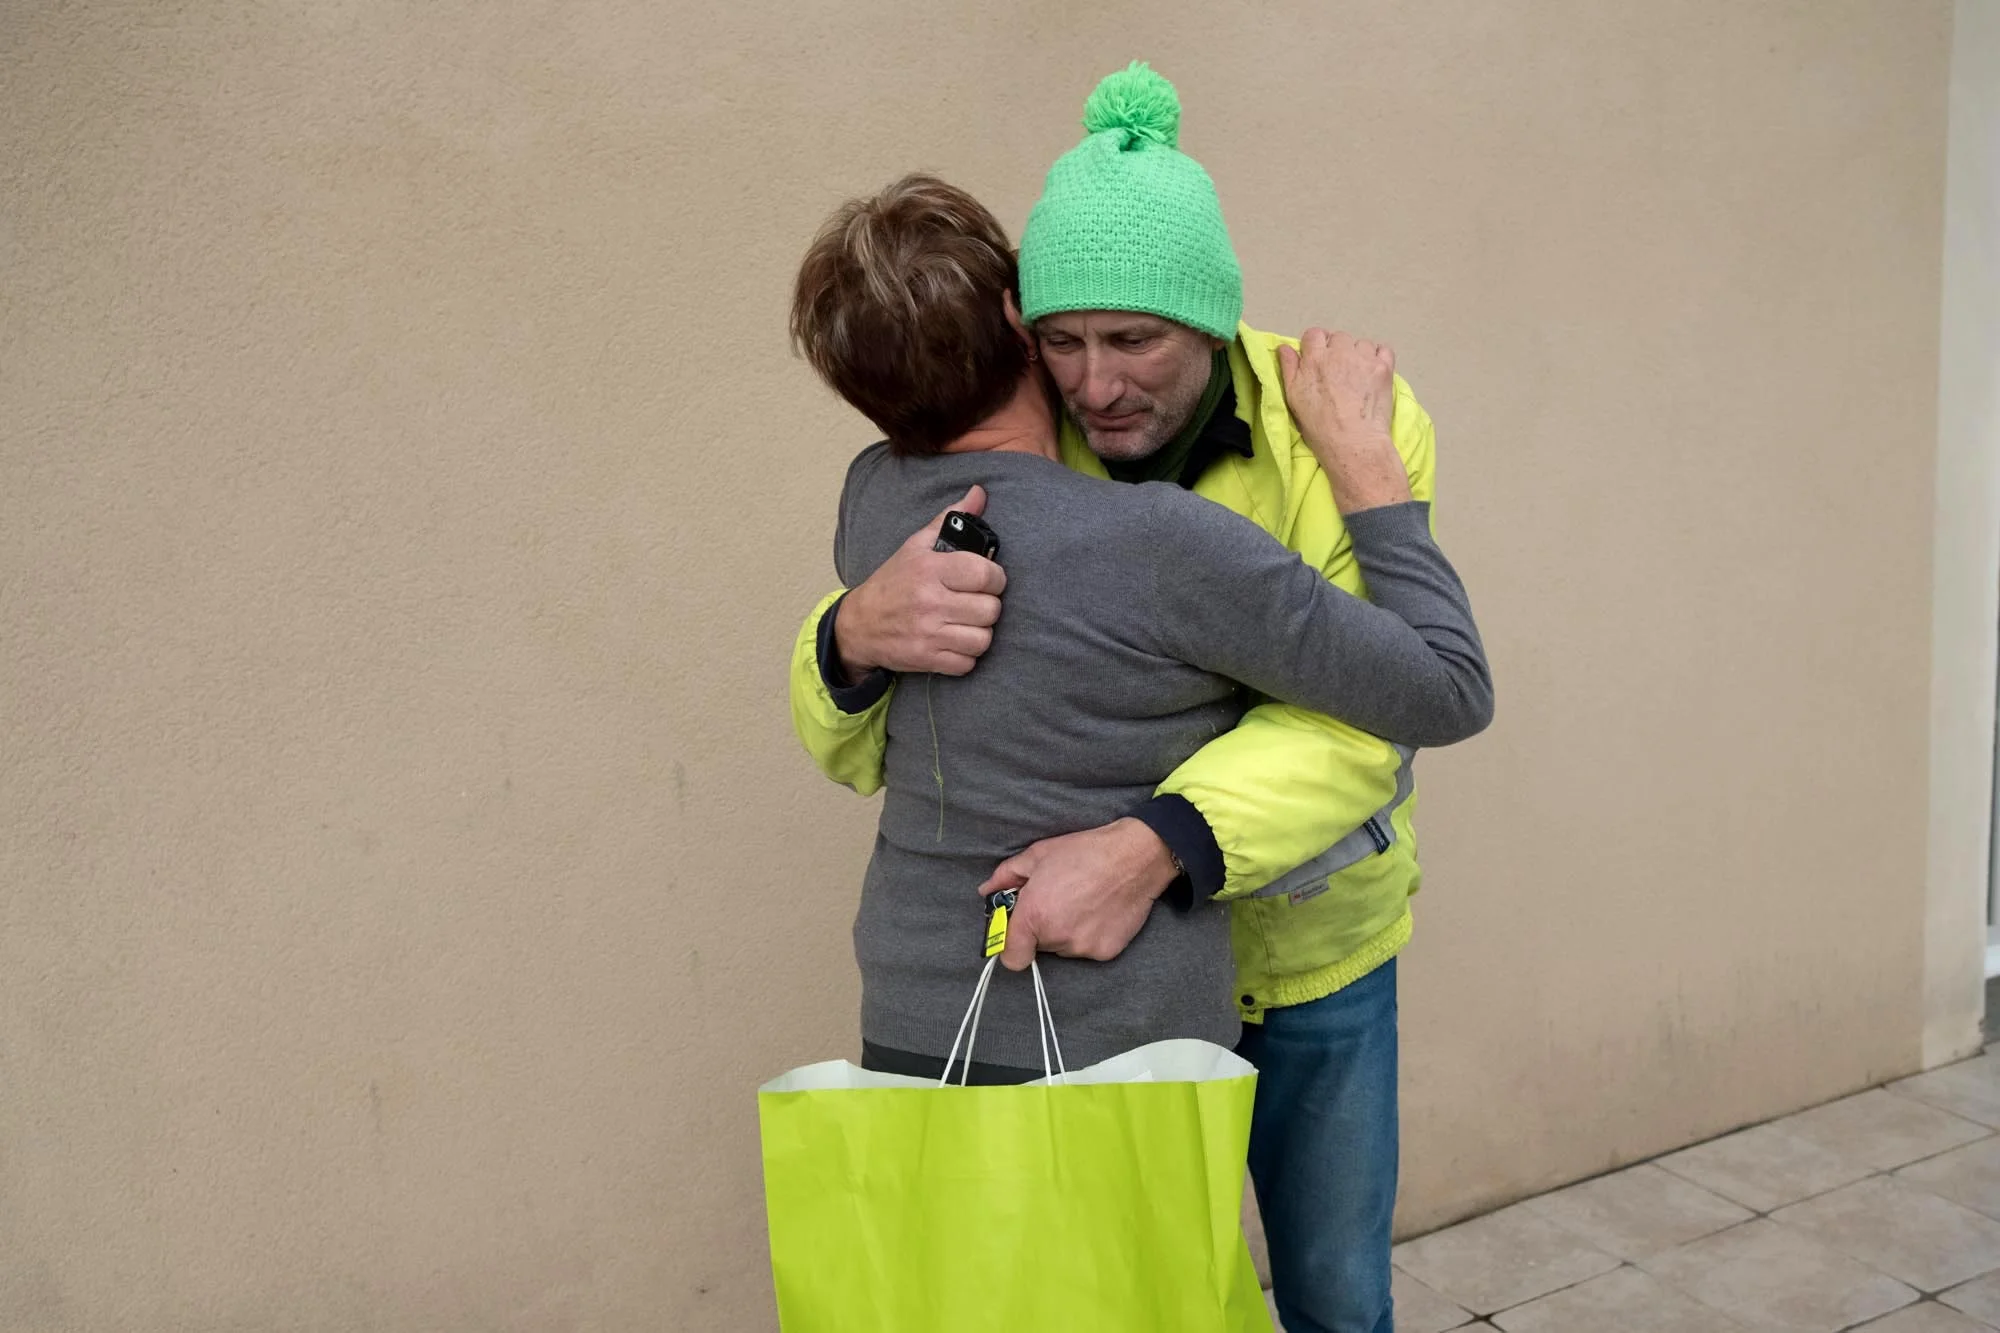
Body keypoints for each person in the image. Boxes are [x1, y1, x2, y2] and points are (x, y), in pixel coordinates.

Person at [789, 67, 1477, 1333]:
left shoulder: (1351, 429)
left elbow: (1373, 714)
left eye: (1134, 342)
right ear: (1016, 329)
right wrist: (845, 637)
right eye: (1061, 342)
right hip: (1115, 983)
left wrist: (1156, 842)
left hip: (1315, 946)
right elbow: (884, 714)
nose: (1096, 386)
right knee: (1145, 1283)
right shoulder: (990, 443)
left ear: (1209, 321)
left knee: (1329, 1287)